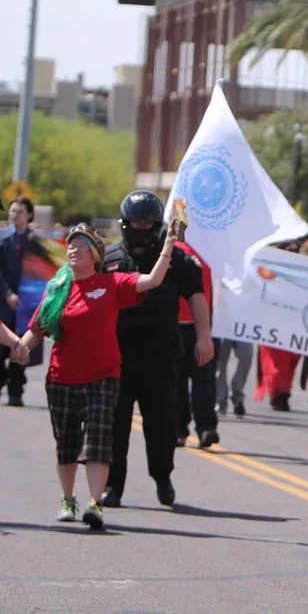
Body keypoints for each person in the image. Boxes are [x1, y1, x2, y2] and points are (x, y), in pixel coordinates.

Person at [15, 221, 177, 529]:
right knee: (66, 444)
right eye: (71, 246)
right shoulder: (58, 287)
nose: (74, 250)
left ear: (95, 255)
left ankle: (94, 503)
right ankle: (67, 499)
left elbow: (153, 280)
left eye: (81, 246)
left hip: (102, 377)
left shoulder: (112, 283)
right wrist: (20, 347)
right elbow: (37, 329)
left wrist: (168, 245)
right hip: (62, 377)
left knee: (98, 442)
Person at [100, 190, 213, 509]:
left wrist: (204, 337)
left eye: (148, 223)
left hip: (161, 356)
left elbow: (197, 297)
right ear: (126, 223)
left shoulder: (176, 259)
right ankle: (112, 486)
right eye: (137, 223)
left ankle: (163, 478)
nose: (142, 228)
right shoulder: (107, 258)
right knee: (114, 424)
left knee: (163, 423)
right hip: (116, 356)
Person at [174, 236, 220, 449]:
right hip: (175, 323)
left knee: (205, 379)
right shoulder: (171, 248)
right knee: (177, 380)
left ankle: (206, 428)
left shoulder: (216, 251)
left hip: (205, 325)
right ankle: (178, 429)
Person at [0, 197, 42, 406]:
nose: (15, 215)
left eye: (20, 211)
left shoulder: (36, 243)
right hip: (4, 302)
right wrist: (7, 293)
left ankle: (16, 391)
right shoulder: (2, 239)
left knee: (22, 345)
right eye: (13, 211)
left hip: (27, 304)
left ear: (29, 215)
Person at [216, 338, 252, 417]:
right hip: (223, 332)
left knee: (246, 355)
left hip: (244, 331)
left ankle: (237, 396)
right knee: (220, 360)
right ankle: (220, 400)